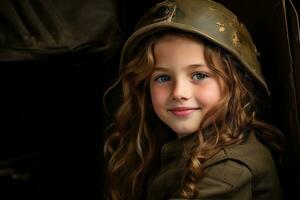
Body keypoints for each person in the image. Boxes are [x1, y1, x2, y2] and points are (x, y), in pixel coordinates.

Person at [103, 0, 285, 199]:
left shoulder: (228, 171)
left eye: (199, 75)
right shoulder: (166, 148)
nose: (179, 92)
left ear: (235, 84)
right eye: (163, 78)